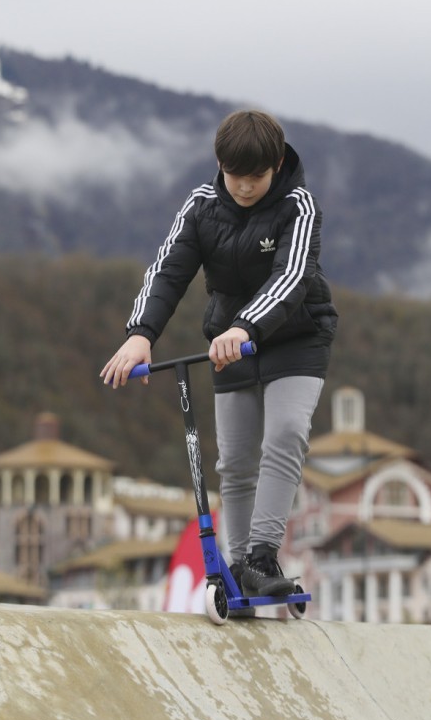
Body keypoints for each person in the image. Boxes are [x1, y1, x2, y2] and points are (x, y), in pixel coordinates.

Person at [101, 109, 337, 601]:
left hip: (296, 338)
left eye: (256, 176)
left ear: (275, 164)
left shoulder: (299, 205)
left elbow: (291, 278)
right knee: (234, 460)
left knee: (286, 434)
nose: (245, 187)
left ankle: (262, 555)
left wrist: (244, 325)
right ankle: (237, 568)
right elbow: (167, 270)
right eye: (235, 175)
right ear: (218, 163)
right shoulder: (203, 205)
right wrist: (141, 333)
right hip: (229, 347)